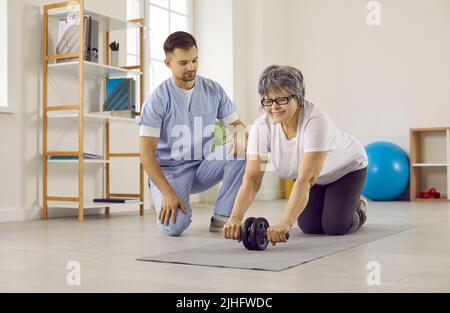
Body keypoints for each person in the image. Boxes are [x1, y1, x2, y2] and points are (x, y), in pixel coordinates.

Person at [224, 65, 369, 245]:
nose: (274, 107)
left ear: (298, 99)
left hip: (345, 169)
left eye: (282, 99)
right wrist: (235, 217)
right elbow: (252, 179)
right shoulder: (262, 127)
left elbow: (305, 179)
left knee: (335, 226)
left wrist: (285, 223)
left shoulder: (316, 122)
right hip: (311, 177)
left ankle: (358, 209)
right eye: (268, 101)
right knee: (310, 227)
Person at [139, 32, 247, 236]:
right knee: (174, 227)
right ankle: (167, 197)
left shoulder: (213, 89)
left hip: (203, 166)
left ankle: (222, 217)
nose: (191, 67)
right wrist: (168, 193)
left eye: (195, 60)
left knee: (245, 149)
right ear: (168, 63)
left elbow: (236, 125)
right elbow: (146, 154)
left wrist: (239, 135)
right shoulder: (157, 99)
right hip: (171, 172)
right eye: (183, 63)